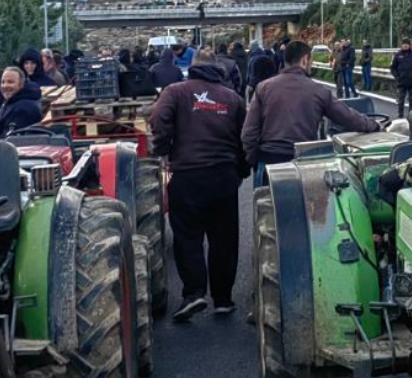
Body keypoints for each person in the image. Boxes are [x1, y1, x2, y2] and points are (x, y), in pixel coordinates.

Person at [149, 49, 249, 321]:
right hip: (223, 175)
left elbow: (158, 119)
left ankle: (194, 294)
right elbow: (246, 137)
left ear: (192, 68)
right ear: (218, 70)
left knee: (188, 236)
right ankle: (223, 299)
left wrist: (163, 148)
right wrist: (240, 168)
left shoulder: (175, 92)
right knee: (224, 240)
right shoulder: (233, 98)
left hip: (187, 174)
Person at [243, 40, 378, 183]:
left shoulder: (263, 88)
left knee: (266, 204)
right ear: (305, 60)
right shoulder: (318, 91)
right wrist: (374, 125)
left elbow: (248, 133)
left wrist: (255, 160)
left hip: (269, 161)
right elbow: (348, 117)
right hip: (303, 162)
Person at [0, 66, 44, 139]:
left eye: (10, 82)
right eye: (3, 82)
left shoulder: (24, 109)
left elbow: (9, 141)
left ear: (21, 85)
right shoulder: (12, 101)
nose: (5, 86)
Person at [390, 38, 412, 118]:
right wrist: (397, 77)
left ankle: (411, 117)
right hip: (401, 82)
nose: (405, 45)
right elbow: (393, 68)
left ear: (409, 45)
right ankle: (400, 116)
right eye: (404, 44)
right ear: (401, 45)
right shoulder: (398, 55)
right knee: (400, 101)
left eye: (407, 44)